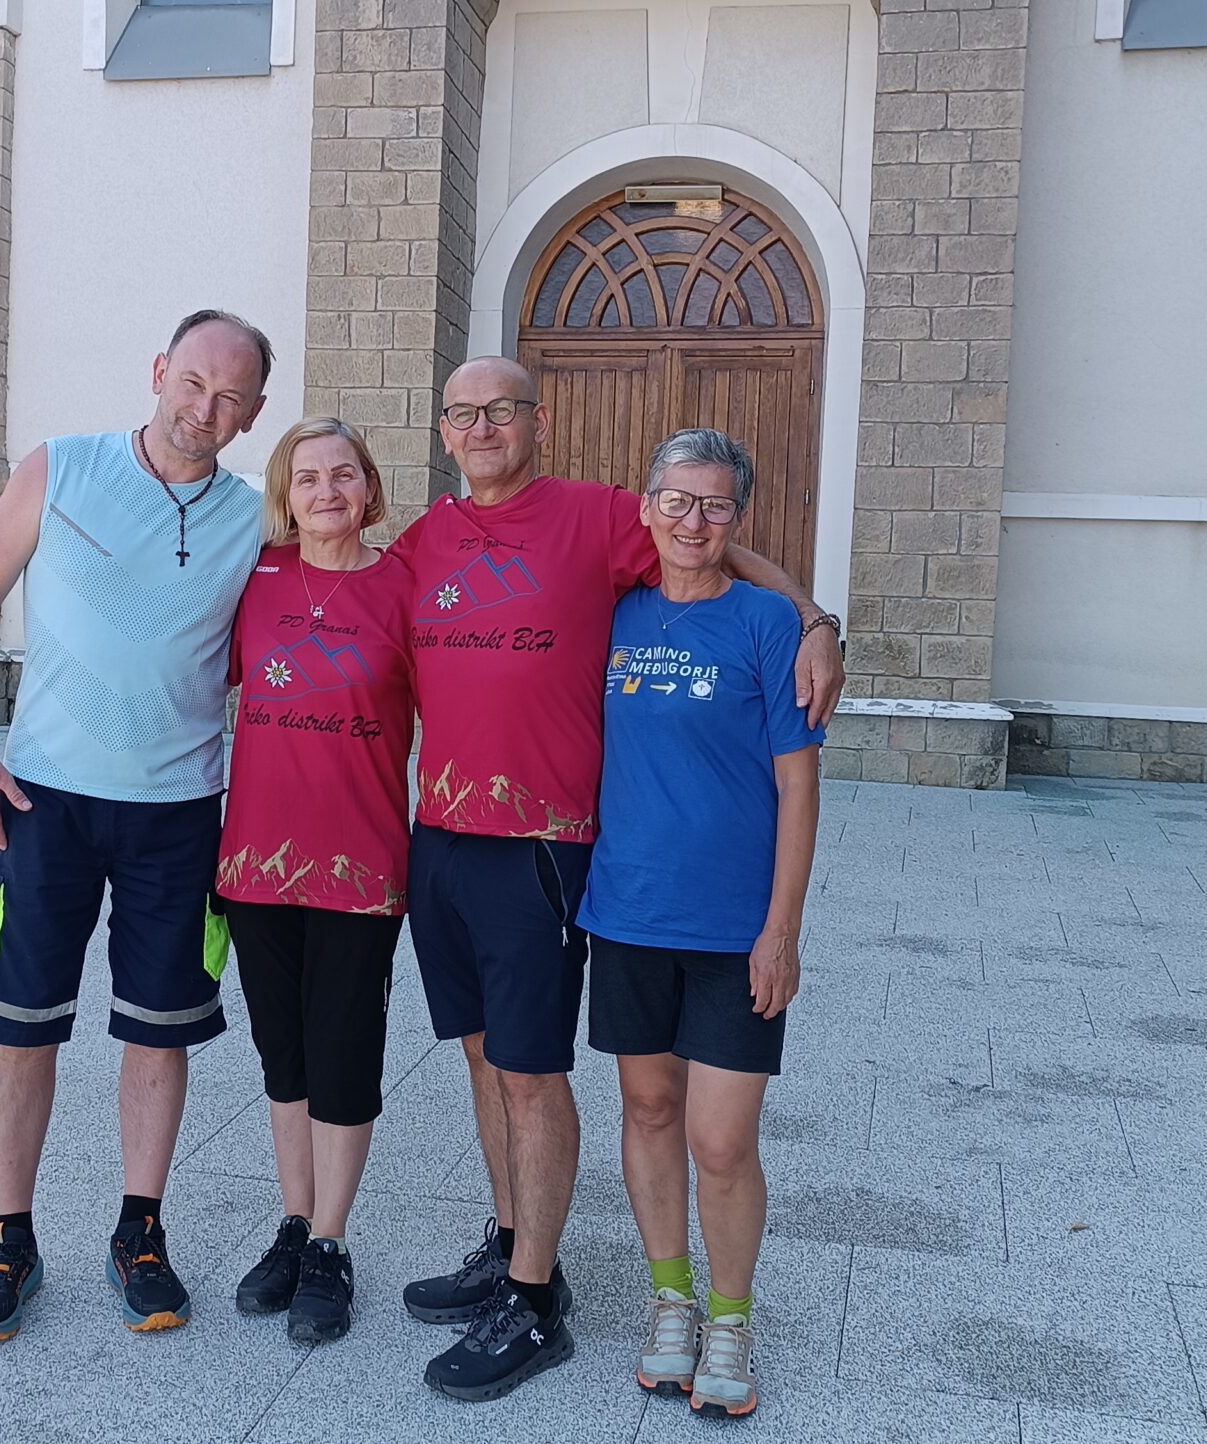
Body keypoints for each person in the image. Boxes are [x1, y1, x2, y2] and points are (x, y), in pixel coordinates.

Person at [391, 358, 844, 1402]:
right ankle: (514, 1245)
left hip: (546, 848)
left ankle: (540, 1296)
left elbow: (714, 546)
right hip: (459, 842)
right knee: (488, 1059)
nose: (484, 426)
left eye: (503, 410)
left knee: (537, 1072)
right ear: (445, 430)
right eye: (464, 412)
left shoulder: (597, 520)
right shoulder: (428, 540)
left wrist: (816, 619)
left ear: (538, 422)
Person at [0, 309, 273, 1342]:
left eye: (230, 398)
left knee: (158, 1030)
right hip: (44, 802)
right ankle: (9, 1239)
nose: (205, 409)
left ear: (253, 413)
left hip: (179, 812)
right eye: (194, 383)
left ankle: (141, 1232)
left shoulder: (255, 517)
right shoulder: (61, 467)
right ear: (160, 370)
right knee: (22, 1024)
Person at [580, 429, 822, 1420]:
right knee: (648, 1111)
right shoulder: (612, 612)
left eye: (715, 505)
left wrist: (782, 929)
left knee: (721, 1140)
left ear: (739, 518)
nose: (693, 521)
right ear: (645, 508)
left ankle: (730, 1316)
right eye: (675, 501)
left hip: (734, 929)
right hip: (627, 912)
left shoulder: (766, 623)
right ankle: (670, 1301)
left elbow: (798, 787)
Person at [215, 417, 414, 1344]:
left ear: (369, 488)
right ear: (285, 496)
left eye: (343, 474)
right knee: (283, 1053)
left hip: (359, 864)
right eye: (307, 478)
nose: (326, 491)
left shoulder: (404, 586)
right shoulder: (253, 578)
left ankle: (332, 1242)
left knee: (344, 1052)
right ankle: (294, 1224)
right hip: (256, 859)